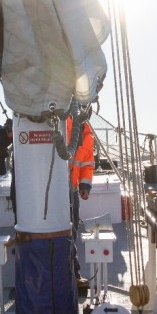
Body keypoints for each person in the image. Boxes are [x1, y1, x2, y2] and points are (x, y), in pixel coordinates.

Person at [67, 117, 94, 294]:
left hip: (71, 190)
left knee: (71, 232)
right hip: (45, 191)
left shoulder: (85, 129)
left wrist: (84, 185)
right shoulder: (48, 115)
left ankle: (72, 274)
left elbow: (87, 161)